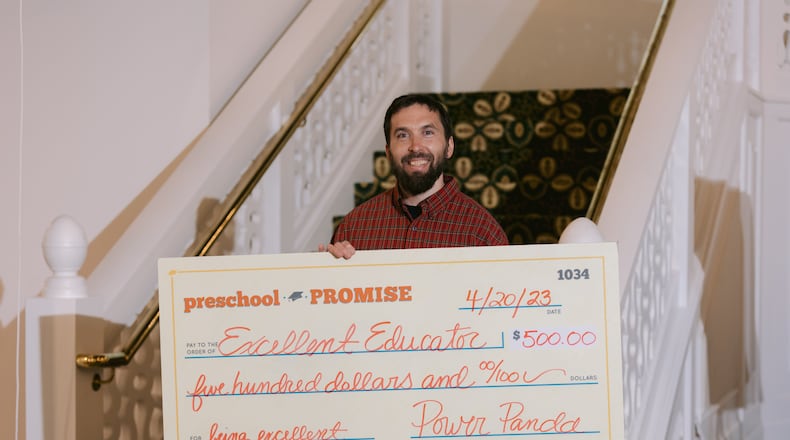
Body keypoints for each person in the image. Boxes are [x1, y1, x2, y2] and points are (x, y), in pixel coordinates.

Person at [320, 94, 508, 259]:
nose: (415, 146)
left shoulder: (483, 232)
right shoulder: (354, 227)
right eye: (402, 135)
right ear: (388, 152)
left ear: (449, 147)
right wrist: (324, 273)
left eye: (427, 133)